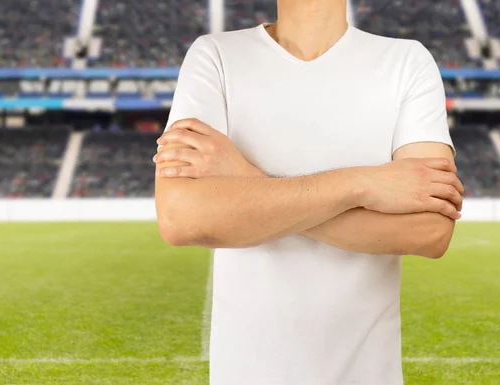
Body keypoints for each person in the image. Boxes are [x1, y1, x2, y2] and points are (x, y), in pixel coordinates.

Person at [153, 0, 464, 384]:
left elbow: (430, 232)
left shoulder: (407, 62)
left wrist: (247, 181)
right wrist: (363, 184)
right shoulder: (215, 56)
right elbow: (180, 218)